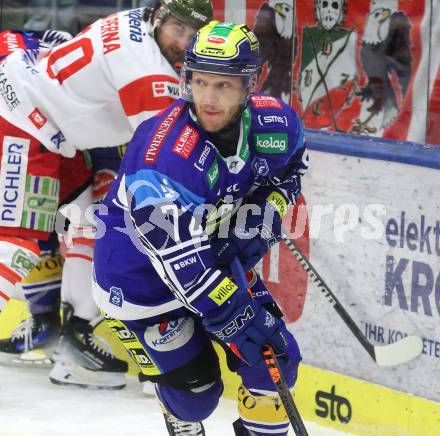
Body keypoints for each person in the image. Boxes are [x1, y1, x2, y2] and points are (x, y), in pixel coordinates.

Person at [93, 21, 308, 436]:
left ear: (250, 85)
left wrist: (264, 211)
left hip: (211, 256)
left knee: (275, 363)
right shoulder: (165, 155)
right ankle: (177, 410)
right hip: (138, 284)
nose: (208, 98)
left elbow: (292, 169)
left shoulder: (272, 124)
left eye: (223, 86)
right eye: (200, 82)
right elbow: (179, 263)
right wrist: (234, 311)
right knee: (196, 398)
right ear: (186, 79)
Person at [0, 0, 213, 389]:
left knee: (90, 218)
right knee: (17, 242)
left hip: (53, 128)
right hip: (22, 119)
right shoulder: (148, 75)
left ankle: (75, 343)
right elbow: (163, 162)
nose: (184, 42)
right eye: (178, 30)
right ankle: (73, 333)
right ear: (160, 18)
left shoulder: (136, 21)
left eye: (193, 35)